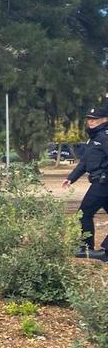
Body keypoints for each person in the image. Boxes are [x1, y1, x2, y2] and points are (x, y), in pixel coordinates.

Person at [62, 102, 108, 257]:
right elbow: (84, 162)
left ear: (105, 120)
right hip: (98, 182)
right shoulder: (93, 138)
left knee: (84, 213)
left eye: (95, 119)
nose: (91, 121)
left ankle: (86, 248)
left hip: (103, 183)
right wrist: (71, 178)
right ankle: (105, 252)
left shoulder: (105, 137)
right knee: (85, 213)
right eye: (89, 119)